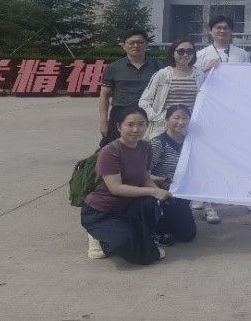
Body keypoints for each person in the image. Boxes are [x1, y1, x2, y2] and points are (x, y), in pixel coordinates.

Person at [81, 105, 171, 264]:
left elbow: (145, 179)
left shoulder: (146, 147)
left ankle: (129, 232)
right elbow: (116, 188)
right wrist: (152, 192)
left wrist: (158, 193)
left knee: (150, 203)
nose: (136, 129)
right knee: (122, 244)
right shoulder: (110, 152)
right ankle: (97, 235)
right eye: (130, 125)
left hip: (127, 206)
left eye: (141, 124)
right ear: (119, 127)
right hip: (101, 211)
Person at [98, 29, 164, 147]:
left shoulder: (159, 66)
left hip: (149, 115)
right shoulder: (113, 68)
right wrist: (103, 121)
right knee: (113, 149)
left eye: (140, 42)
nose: (135, 45)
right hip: (120, 114)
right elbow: (104, 95)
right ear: (124, 46)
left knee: (150, 149)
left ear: (146, 44)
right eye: (131, 42)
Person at [139, 38, 210, 140]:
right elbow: (144, 101)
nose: (185, 55)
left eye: (189, 51)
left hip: (190, 128)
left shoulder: (199, 75)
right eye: (181, 51)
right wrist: (157, 118)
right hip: (163, 127)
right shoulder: (163, 74)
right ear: (173, 53)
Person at [148, 104, 197, 246]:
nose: (181, 122)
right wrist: (164, 180)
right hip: (164, 193)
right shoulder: (158, 143)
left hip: (182, 193)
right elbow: (144, 174)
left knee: (187, 235)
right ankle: (156, 226)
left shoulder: (189, 142)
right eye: (176, 118)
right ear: (167, 119)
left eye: (185, 118)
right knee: (183, 233)